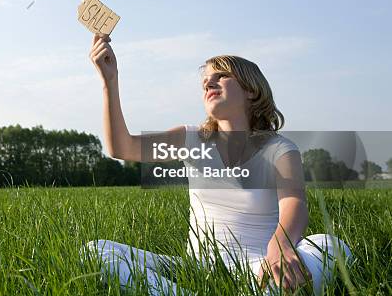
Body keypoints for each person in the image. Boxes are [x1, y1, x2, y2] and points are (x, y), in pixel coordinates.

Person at [82, 34, 352, 295]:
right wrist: (110, 81)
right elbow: (122, 148)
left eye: (221, 76)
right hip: (196, 269)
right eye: (205, 82)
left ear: (250, 90)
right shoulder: (191, 139)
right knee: (95, 250)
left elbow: (294, 205)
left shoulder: (279, 149)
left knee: (331, 245)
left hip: (258, 268)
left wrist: (280, 248)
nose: (209, 83)